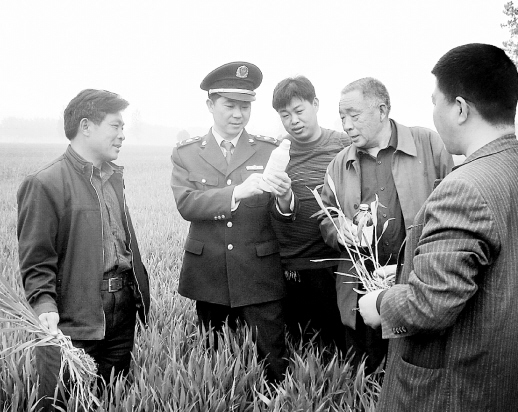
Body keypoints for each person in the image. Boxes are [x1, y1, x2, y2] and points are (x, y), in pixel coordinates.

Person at [359, 43, 518, 410]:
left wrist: (380, 303)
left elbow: (430, 304)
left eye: (435, 102)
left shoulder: (464, 188)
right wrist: (407, 269)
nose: (433, 114)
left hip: (453, 389)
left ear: (460, 109)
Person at [17, 89, 151, 410]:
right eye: (115, 126)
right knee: (62, 402)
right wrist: (44, 304)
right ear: (86, 126)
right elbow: (36, 260)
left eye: (124, 128)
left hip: (121, 314)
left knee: (111, 398)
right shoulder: (45, 183)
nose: (123, 135)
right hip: (72, 319)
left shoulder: (113, 177)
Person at [171, 61, 296, 382]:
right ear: (210, 105)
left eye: (245, 106)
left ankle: (276, 401)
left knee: (273, 361)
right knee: (215, 361)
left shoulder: (269, 150)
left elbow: (281, 212)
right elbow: (187, 204)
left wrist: (285, 197)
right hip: (209, 273)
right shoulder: (186, 153)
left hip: (259, 273)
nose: (238, 114)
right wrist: (236, 193)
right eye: (230, 106)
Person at [319, 77, 453, 374]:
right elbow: (325, 214)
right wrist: (340, 230)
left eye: (354, 115)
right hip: (362, 289)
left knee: (415, 370)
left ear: (382, 110)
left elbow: (457, 202)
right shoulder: (340, 163)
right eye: (342, 117)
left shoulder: (428, 144)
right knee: (364, 373)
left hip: (416, 283)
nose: (347, 125)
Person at [270, 75, 350, 355]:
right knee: (299, 347)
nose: (293, 120)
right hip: (291, 263)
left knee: (338, 345)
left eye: (299, 110)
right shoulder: (279, 152)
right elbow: (272, 207)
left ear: (315, 104)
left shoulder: (343, 145)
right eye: (285, 115)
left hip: (333, 262)